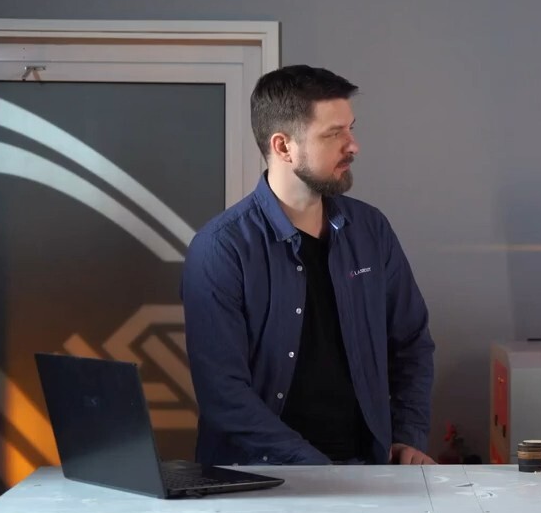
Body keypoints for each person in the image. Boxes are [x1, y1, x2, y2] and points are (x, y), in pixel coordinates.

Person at [182, 64, 435, 466]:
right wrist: (321, 472)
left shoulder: (371, 230)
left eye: (351, 129)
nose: (353, 146)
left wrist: (408, 436)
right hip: (259, 478)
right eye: (334, 134)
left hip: (368, 470)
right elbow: (223, 394)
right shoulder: (220, 249)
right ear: (283, 147)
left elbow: (411, 343)